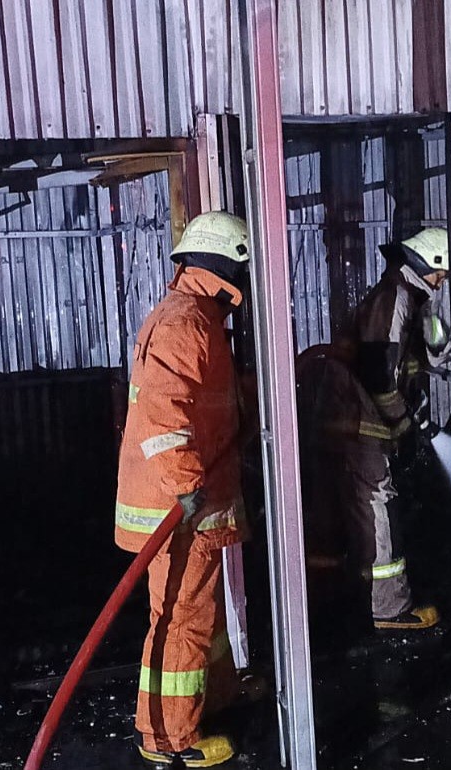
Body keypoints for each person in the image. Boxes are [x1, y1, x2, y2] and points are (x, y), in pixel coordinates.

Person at [115, 211, 252, 768]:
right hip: (176, 508)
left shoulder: (194, 316)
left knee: (199, 613)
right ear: (230, 264)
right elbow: (162, 422)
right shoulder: (185, 323)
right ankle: (169, 738)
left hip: (187, 503)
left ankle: (208, 700)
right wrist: (190, 491)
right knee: (180, 621)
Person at [297, 227, 451, 631]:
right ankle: (390, 608)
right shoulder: (396, 299)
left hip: (353, 419)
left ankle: (348, 599)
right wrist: (402, 422)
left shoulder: (410, 298)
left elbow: (435, 351)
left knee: (350, 508)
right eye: (443, 272)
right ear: (428, 264)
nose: (444, 280)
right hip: (362, 421)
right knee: (376, 507)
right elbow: (381, 374)